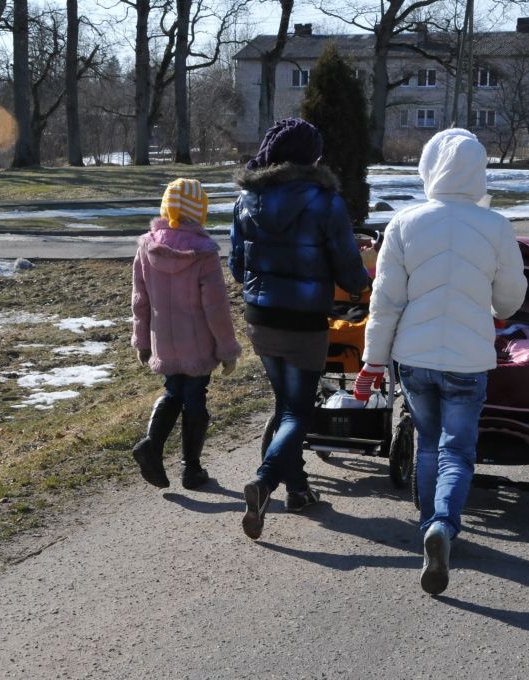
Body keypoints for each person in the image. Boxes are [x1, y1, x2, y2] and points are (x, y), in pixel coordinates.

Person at [353, 129, 527, 595]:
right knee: (458, 450)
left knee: (428, 442)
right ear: (479, 171)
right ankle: (443, 526)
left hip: (414, 356)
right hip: (468, 360)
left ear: (429, 168)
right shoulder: (497, 227)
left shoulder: (405, 224)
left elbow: (385, 301)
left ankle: (428, 523)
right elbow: (509, 302)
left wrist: (372, 361)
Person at [230, 117, 370, 539]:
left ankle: (298, 489)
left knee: (285, 405)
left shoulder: (245, 200)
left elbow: (238, 267)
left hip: (260, 317)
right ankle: (265, 480)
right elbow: (349, 271)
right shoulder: (324, 201)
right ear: (311, 157)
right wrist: (361, 282)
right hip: (305, 319)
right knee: (298, 411)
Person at [131, 178, 242, 490]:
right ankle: (191, 469)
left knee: (173, 392)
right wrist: (227, 349)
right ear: (200, 212)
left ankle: (152, 445)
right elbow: (216, 308)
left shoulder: (146, 246)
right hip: (197, 343)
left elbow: (140, 301)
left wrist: (142, 341)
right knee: (195, 397)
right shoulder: (203, 254)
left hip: (162, 340)